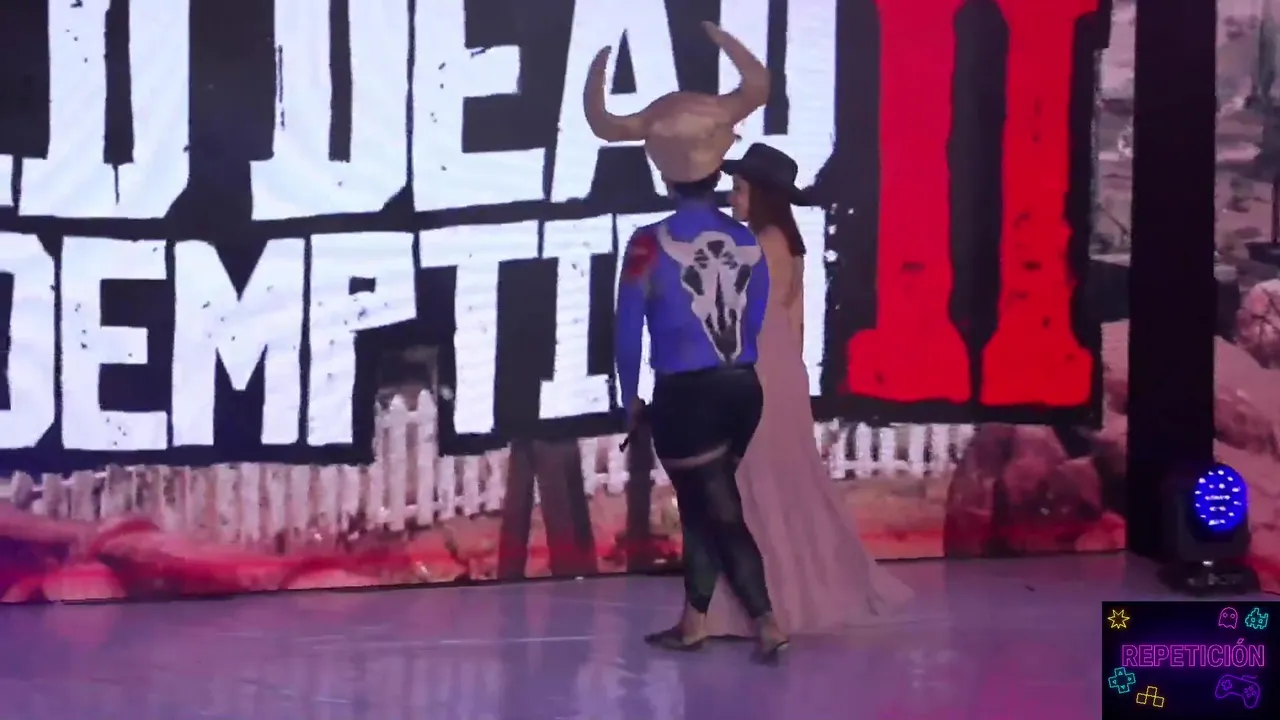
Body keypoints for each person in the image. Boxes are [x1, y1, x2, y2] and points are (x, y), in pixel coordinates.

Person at [584, 22, 788, 664]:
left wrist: (630, 399)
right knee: (704, 505)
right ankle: (694, 621)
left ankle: (766, 622)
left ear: (662, 169)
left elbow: (627, 331)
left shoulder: (648, 244)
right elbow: (754, 319)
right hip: (742, 391)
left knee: (718, 510)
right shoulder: (746, 239)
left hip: (687, 397)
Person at [702, 142, 914, 638]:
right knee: (769, 482)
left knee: (757, 483)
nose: (732, 199)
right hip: (778, 368)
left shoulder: (762, 243)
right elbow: (791, 323)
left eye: (739, 189)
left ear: (762, 194)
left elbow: (737, 317)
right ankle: (778, 596)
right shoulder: (785, 242)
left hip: (758, 369)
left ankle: (773, 601)